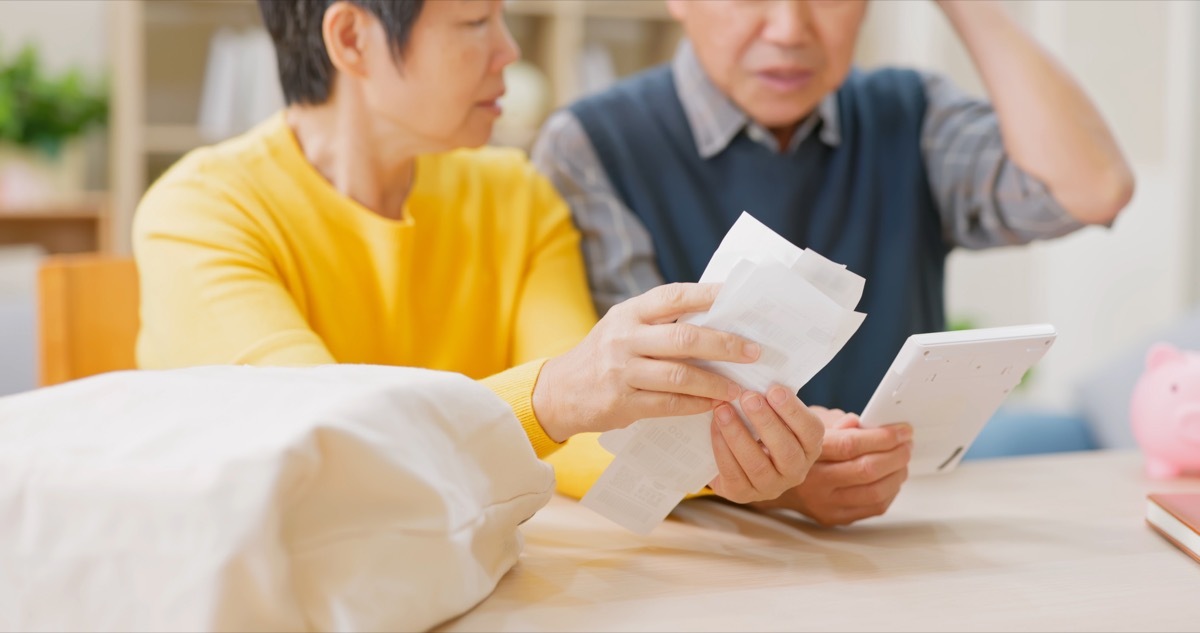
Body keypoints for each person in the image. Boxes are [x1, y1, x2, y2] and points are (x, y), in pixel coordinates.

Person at [132, 0, 826, 507]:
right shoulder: (199, 213)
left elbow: (587, 431)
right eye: (474, 23)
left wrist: (723, 460)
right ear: (352, 38)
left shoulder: (514, 196)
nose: (509, 51)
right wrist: (552, 394)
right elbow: (332, 452)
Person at [532, 0, 1135, 526]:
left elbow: (1095, 187)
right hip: (708, 549)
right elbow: (624, 410)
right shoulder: (593, 144)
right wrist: (777, 481)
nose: (791, 28)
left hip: (910, 531)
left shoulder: (912, 115)